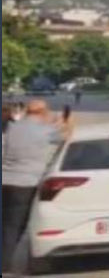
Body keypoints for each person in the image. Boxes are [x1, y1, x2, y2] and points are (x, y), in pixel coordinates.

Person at [2, 100, 69, 274]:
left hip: (5, 179)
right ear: (42, 112)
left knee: (6, 223)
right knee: (15, 226)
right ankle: (4, 266)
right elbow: (66, 137)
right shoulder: (47, 131)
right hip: (26, 183)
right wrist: (67, 122)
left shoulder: (12, 127)